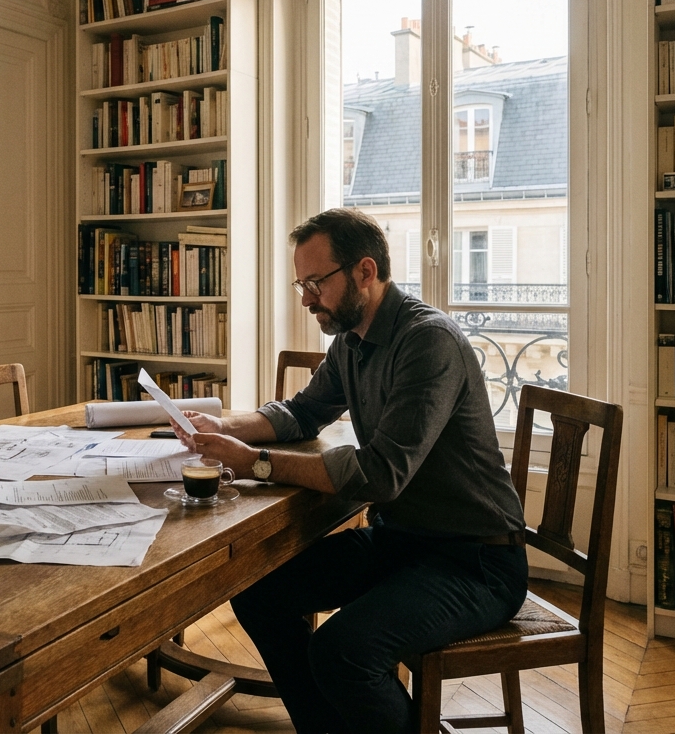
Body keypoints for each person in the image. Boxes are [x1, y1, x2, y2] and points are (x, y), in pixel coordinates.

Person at [171, 207, 528, 734]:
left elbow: (380, 474)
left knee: (343, 651)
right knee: (257, 591)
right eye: (302, 284)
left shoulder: (428, 340)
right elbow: (302, 412)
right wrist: (222, 426)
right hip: (403, 541)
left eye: (316, 283)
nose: (306, 299)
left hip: (475, 559)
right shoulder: (352, 340)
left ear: (365, 271)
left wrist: (256, 463)